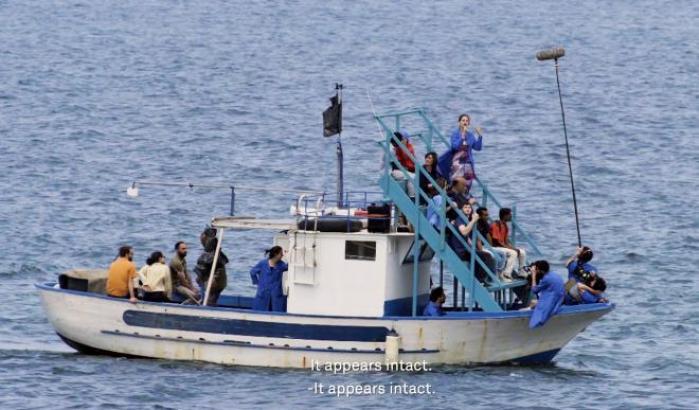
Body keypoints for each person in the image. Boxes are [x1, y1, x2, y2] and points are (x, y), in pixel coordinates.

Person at [447, 205, 496, 283]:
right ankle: (481, 280)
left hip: (467, 248)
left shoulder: (466, 220)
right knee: (487, 256)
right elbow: (464, 232)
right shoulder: (459, 219)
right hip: (461, 250)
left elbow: (469, 239)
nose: (467, 209)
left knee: (483, 255)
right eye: (465, 207)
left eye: (469, 207)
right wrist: (473, 220)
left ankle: (484, 278)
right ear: (461, 209)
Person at [437, 114, 483, 186]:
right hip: (457, 163)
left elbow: (478, 147)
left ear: (468, 123)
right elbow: (455, 147)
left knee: (467, 184)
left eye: (467, 121)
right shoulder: (455, 134)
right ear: (459, 122)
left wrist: (480, 136)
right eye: (463, 120)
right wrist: (462, 136)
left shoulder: (470, 135)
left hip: (468, 163)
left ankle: (465, 195)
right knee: (457, 183)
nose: (465, 122)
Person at [194, 227, 229, 306]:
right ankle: (207, 302)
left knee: (200, 281)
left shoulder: (210, 254)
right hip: (221, 281)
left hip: (215, 282)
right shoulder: (218, 253)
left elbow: (201, 269)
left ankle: (206, 303)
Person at [490, 208, 527, 278]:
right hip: (496, 247)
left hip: (502, 246)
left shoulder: (505, 226)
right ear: (504, 216)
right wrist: (511, 249)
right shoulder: (496, 225)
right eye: (509, 214)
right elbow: (497, 242)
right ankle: (507, 273)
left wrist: (513, 248)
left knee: (522, 252)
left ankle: (522, 272)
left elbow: (506, 241)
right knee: (513, 253)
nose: (511, 216)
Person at [250, 246, 289, 312]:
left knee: (276, 310)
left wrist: (289, 256)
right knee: (260, 311)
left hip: (276, 294)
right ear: (275, 254)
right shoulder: (263, 263)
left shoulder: (281, 265)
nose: (282, 255)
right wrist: (257, 282)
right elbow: (252, 272)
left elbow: (289, 267)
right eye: (281, 253)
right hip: (263, 293)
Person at [528, 260, 565, 329]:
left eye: (536, 269)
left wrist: (533, 275)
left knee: (532, 303)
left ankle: (526, 310)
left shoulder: (546, 279)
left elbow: (534, 290)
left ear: (540, 270)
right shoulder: (554, 275)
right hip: (559, 300)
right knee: (534, 302)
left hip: (552, 302)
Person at [390, 130, 416, 197]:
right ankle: (412, 198)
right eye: (401, 139)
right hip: (395, 171)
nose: (402, 141)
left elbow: (408, 159)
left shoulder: (408, 147)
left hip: (406, 169)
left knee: (415, 177)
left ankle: (415, 197)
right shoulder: (395, 149)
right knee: (412, 177)